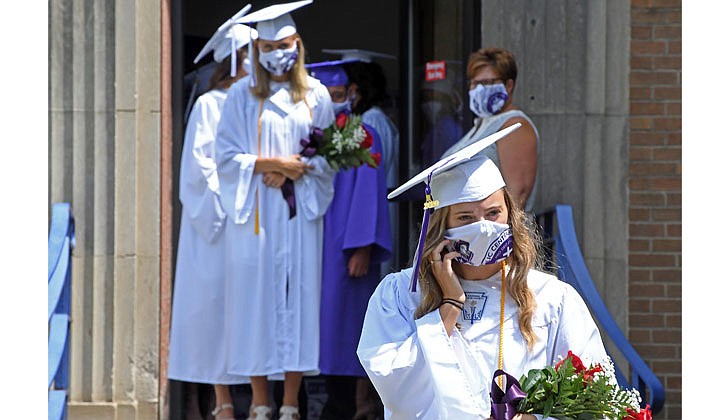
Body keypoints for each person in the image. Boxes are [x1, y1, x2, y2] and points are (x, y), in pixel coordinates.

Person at [357, 125, 609, 419]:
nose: (483, 226)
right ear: (443, 227)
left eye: (493, 213)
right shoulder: (401, 294)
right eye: (466, 217)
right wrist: (449, 304)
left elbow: (595, 396)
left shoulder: (551, 298)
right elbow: (397, 390)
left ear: (510, 216)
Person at [214, 1, 335, 419]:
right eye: (267, 46)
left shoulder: (316, 96)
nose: (276, 53)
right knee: (255, 299)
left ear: (297, 45)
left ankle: (289, 403)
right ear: (258, 49)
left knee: (299, 297)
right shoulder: (241, 96)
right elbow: (226, 157)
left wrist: (296, 170)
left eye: (282, 44)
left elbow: (329, 156)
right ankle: (260, 400)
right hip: (257, 215)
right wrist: (269, 164)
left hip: (298, 211)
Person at [167, 10, 256, 420]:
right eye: (252, 53)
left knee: (252, 310)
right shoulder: (210, 104)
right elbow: (201, 167)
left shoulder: (261, 105)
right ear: (235, 60)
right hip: (219, 224)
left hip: (255, 222)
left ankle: (259, 398)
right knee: (213, 310)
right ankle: (221, 398)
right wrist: (233, 202)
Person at [306, 60, 392, 420]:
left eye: (338, 95)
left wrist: (362, 247)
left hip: (345, 250)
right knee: (319, 327)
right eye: (325, 96)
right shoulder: (306, 139)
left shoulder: (360, 136)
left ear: (350, 96)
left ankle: (353, 405)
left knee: (347, 327)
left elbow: (369, 194)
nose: (332, 102)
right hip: (313, 249)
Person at [441, 47, 539, 213]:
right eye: (474, 83)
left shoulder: (514, 126)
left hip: (490, 234)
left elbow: (517, 196)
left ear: (508, 85)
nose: (479, 90)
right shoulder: (482, 124)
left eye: (487, 83)